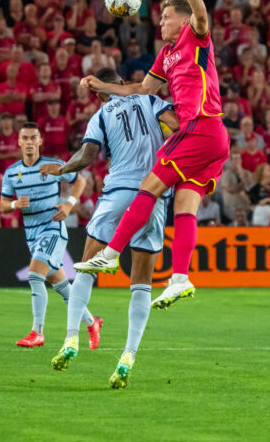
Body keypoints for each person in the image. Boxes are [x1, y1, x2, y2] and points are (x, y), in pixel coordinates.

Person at [76, 0, 229, 312]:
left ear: (183, 20)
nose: (160, 23)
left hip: (199, 127)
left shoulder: (196, 35)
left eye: (165, 17)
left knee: (149, 186)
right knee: (185, 206)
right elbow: (142, 89)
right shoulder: (165, 55)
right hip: (213, 138)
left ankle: (111, 253)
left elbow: (202, 14)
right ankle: (180, 278)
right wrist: (103, 86)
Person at [40, 68, 179, 388]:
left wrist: (61, 169)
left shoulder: (102, 114)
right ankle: (128, 355)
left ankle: (71, 337)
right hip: (154, 193)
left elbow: (87, 156)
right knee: (141, 283)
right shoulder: (150, 100)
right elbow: (176, 126)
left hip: (119, 193)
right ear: (123, 84)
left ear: (103, 93)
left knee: (87, 267)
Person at [0, 122, 99, 349]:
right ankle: (92, 322)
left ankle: (37, 332)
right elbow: (3, 205)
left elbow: (80, 181)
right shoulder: (12, 172)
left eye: (33, 138)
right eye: (25, 138)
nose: (29, 142)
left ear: (40, 141)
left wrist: (69, 204)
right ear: (19, 142)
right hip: (31, 234)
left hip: (52, 228)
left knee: (35, 275)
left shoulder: (53, 166)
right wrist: (15, 204)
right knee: (63, 288)